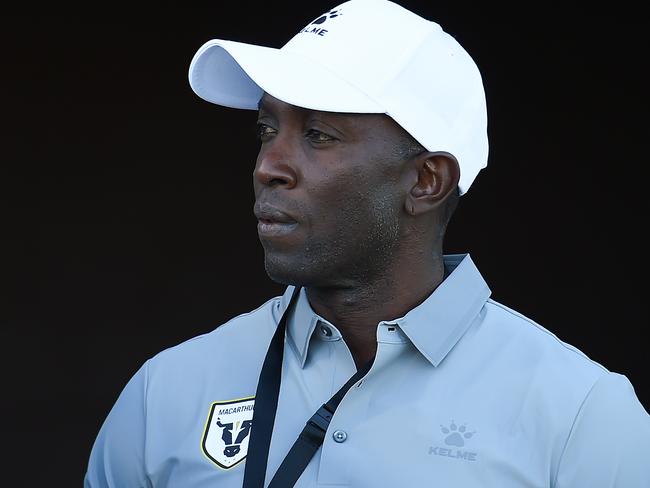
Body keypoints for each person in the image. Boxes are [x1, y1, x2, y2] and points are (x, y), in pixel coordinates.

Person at [84, 0, 650, 486]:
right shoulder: (165, 392)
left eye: (318, 135)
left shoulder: (581, 416)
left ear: (427, 181)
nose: (268, 165)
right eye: (266, 129)